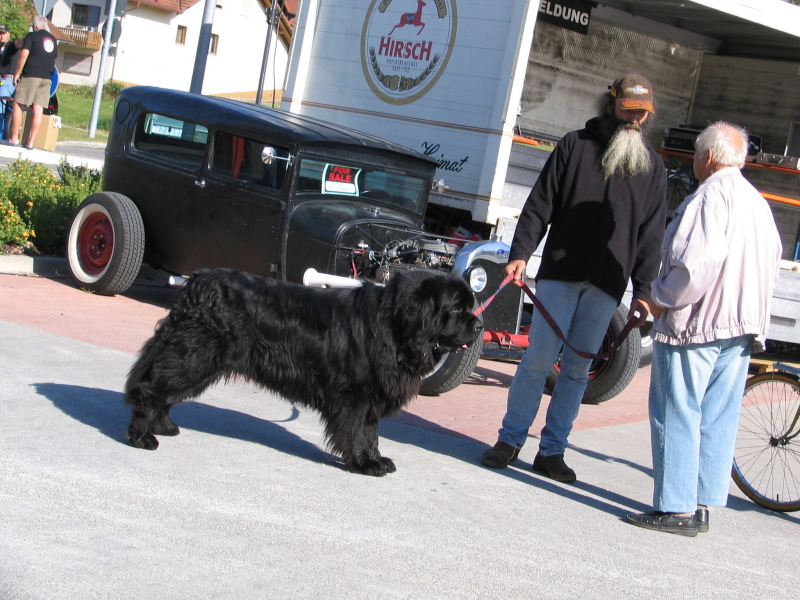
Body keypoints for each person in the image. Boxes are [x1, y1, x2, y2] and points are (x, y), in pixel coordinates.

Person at [481, 74, 667, 482]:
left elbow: (651, 236)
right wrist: (520, 254)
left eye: (643, 114)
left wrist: (645, 291)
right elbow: (540, 201)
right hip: (561, 275)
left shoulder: (653, 168)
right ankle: (510, 440)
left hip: (607, 283)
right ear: (610, 104)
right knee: (538, 360)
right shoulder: (574, 145)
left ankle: (552, 451)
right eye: (628, 111)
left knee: (579, 370)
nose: (635, 120)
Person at [626, 122, 782, 537]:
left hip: (700, 322)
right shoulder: (756, 201)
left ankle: (675, 507)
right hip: (741, 324)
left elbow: (696, 264)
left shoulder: (710, 197)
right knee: (718, 414)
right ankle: (701, 503)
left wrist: (659, 298)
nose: (693, 160)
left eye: (695, 153)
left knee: (677, 408)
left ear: (709, 157)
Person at [5, 16, 57, 149]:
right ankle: (30, 142)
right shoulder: (53, 39)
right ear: (45, 26)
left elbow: (23, 55)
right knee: (38, 109)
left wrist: (17, 73)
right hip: (47, 78)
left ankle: (14, 139)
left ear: (34, 26)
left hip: (31, 75)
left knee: (17, 105)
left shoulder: (32, 36)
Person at [0, 24, 19, 139]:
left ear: (9, 34)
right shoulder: (1, 47)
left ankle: (3, 135)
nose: (1, 35)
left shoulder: (11, 45)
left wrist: (30, 37)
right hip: (2, 79)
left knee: (2, 109)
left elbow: (18, 43)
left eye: (3, 33)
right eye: (0, 33)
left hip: (7, 80)